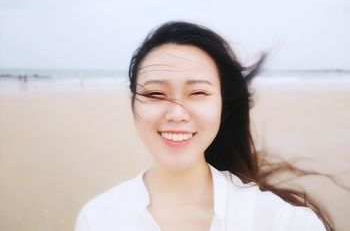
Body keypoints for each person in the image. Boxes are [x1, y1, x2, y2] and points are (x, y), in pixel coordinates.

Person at [75, 21, 331, 230]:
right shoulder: (99, 218)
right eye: (155, 94)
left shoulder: (284, 222)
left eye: (197, 93)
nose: (176, 114)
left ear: (223, 106)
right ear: (133, 104)